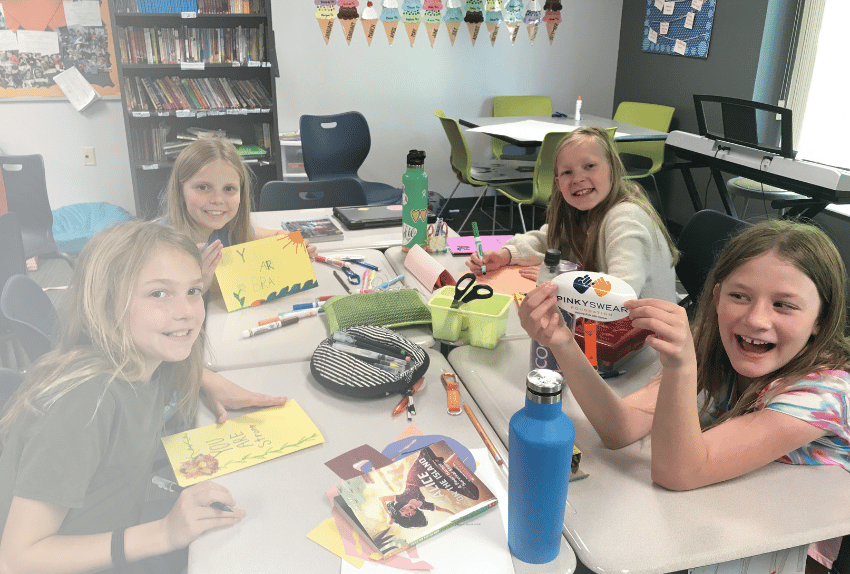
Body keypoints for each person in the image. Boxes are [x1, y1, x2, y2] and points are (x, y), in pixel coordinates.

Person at [521, 218, 850, 571]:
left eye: (784, 305)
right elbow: (619, 428)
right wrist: (561, 342)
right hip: (724, 528)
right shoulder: (717, 345)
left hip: (793, 551)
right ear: (716, 296)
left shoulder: (826, 391)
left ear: (820, 318)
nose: (756, 319)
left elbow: (679, 473)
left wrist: (680, 368)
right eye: (739, 296)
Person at [0, 221, 252, 574]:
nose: (187, 311)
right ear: (105, 304)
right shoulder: (84, 402)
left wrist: (206, 381)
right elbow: (16, 559)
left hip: (115, 530)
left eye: (194, 291)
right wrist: (164, 534)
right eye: (158, 294)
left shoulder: (147, 361)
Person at [466, 126, 678, 302]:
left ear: (613, 169)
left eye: (589, 166)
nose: (578, 178)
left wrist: (564, 279)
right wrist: (505, 255)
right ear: (558, 183)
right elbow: (548, 241)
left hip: (644, 346)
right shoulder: (584, 211)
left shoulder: (626, 218)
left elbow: (621, 291)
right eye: (567, 172)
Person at [162, 137, 317, 293]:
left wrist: (295, 250)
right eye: (203, 187)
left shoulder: (228, 230)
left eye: (229, 189)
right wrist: (196, 286)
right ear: (180, 191)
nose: (217, 200)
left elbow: (276, 235)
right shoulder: (161, 247)